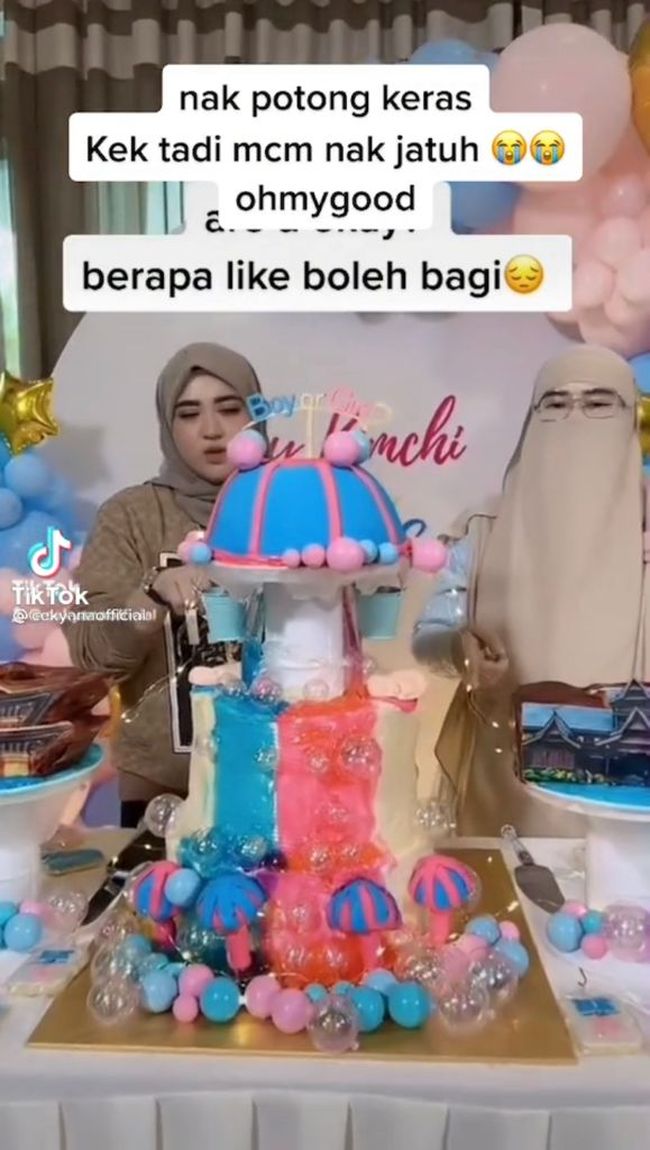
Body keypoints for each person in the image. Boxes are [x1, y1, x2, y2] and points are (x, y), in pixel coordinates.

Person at [413, 344, 644, 835]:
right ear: (531, 418)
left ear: (630, 417)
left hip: (630, 797)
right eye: (555, 403)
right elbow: (429, 636)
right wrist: (457, 650)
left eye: (599, 403)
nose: (575, 417)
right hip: (504, 780)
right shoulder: (483, 528)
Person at [64, 342, 263, 827]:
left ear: (256, 417)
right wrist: (151, 598)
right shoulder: (132, 516)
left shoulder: (294, 504)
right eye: (189, 414)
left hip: (283, 783)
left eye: (229, 409)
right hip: (163, 794)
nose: (211, 430)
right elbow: (91, 653)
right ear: (167, 427)